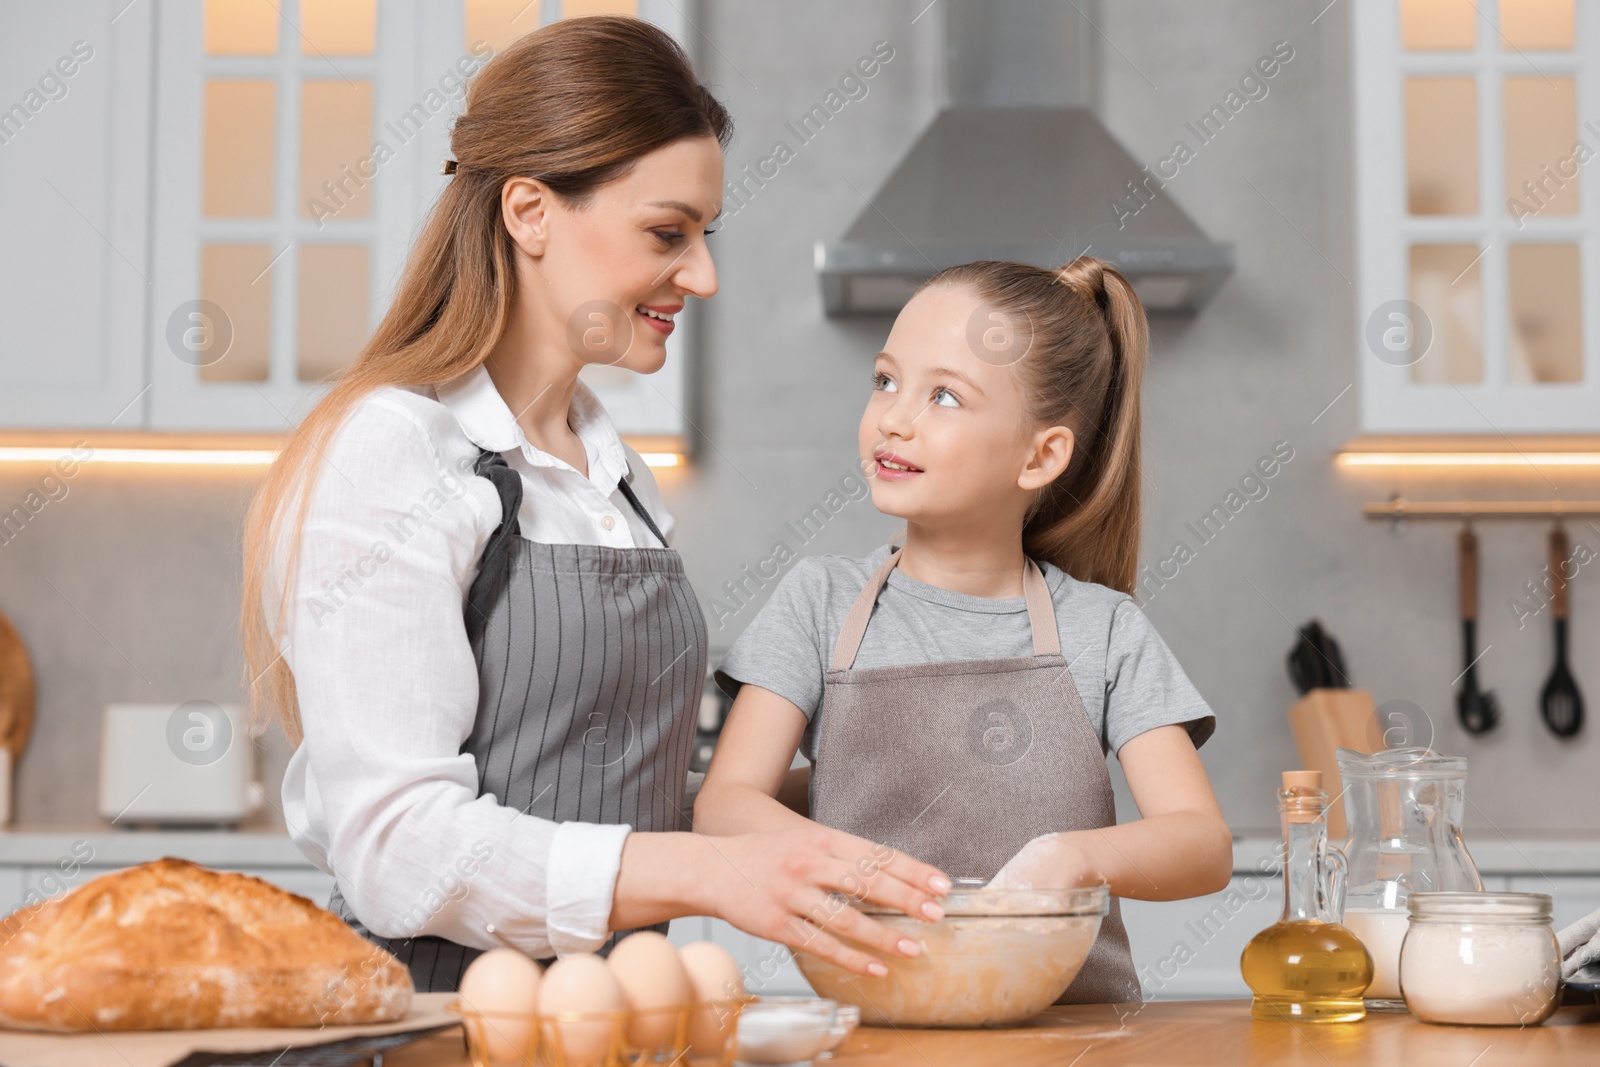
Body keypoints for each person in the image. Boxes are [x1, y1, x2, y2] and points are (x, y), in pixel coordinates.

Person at [239, 15, 947, 994]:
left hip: (611, 1018)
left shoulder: (610, 471)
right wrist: (716, 869)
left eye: (703, 235)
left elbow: (603, 799)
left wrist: (850, 783)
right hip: (435, 1026)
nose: (700, 275)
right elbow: (398, 846)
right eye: (668, 232)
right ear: (529, 211)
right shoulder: (395, 453)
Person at [696, 257, 1234, 1003]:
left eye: (944, 395)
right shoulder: (819, 602)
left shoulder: (1102, 629)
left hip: (1079, 1043)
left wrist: (1068, 860)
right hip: (875, 1034)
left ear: (1039, 455)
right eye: (886, 380)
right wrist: (858, 868)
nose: (895, 417)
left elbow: (1202, 845)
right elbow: (724, 804)